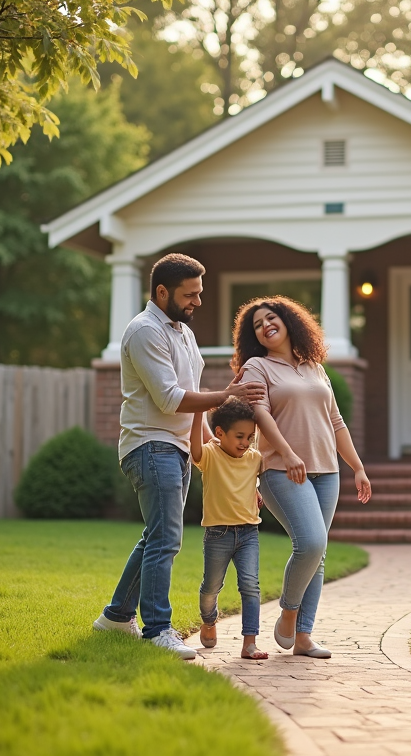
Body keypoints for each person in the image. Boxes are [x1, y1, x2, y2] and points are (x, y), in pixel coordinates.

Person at [92, 253, 265, 659]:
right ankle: (157, 630)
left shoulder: (183, 332)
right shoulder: (144, 332)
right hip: (150, 445)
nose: (198, 303)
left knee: (155, 537)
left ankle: (116, 616)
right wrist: (230, 395)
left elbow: (195, 404)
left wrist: (216, 456)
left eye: (200, 294)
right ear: (162, 292)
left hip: (178, 448)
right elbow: (171, 400)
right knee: (166, 540)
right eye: (190, 295)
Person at [232, 296, 372, 659]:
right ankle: (289, 614)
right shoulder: (256, 367)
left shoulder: (314, 367)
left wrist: (356, 467)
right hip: (282, 469)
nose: (264, 326)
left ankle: (304, 636)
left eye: (270, 317)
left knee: (318, 552)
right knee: (310, 543)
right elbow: (261, 415)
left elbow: (336, 422)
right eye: (257, 325)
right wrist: (288, 453)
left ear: (289, 320)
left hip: (327, 470)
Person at [190, 397, 268, 661]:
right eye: (239, 436)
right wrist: (198, 411)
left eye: (250, 437)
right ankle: (209, 621)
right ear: (220, 433)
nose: (245, 443)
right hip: (217, 534)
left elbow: (250, 482)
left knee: (250, 586)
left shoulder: (255, 458)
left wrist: (257, 492)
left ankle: (249, 643)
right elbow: (195, 451)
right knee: (212, 587)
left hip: (248, 533)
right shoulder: (210, 454)